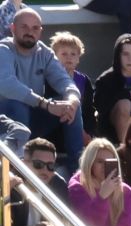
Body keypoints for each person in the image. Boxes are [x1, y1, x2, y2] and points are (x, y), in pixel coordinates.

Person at [0, 8, 84, 162]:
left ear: (40, 31)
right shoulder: (3, 49)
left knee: (70, 106)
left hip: (32, 119)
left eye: (35, 28)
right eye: (24, 27)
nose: (29, 32)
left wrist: (72, 99)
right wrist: (45, 104)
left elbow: (64, 81)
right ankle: (19, 167)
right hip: (5, 122)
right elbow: (6, 84)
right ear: (12, 28)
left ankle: (78, 170)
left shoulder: (45, 53)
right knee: (18, 104)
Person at [66, 137, 131, 226]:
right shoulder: (77, 187)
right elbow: (92, 224)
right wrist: (102, 196)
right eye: (99, 161)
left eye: (109, 162)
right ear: (90, 163)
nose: (104, 166)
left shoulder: (125, 191)